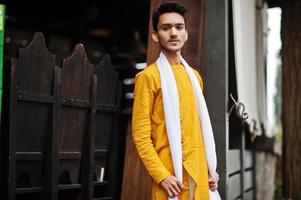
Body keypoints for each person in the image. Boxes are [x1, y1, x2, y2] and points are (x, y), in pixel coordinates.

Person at [132, 2, 220, 200]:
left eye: (179, 27)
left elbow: (199, 130)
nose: (173, 33)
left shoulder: (195, 77)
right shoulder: (148, 77)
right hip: (171, 180)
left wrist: (211, 169)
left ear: (186, 34)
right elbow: (141, 136)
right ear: (155, 35)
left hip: (200, 177)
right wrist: (161, 176)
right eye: (166, 28)